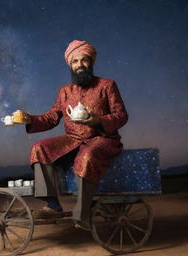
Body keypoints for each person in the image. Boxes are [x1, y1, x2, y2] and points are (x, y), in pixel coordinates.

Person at [14, 40, 128, 231]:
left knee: (87, 156)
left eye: (84, 60)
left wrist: (98, 120)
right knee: (39, 148)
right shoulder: (64, 91)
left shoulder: (107, 85)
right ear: (70, 64)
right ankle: (52, 205)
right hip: (73, 139)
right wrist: (29, 119)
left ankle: (82, 215)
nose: (80, 65)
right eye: (75, 61)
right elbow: (51, 118)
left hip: (103, 139)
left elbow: (121, 115)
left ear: (91, 62)